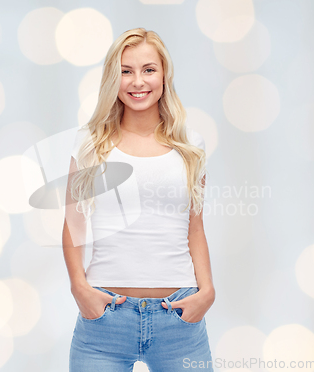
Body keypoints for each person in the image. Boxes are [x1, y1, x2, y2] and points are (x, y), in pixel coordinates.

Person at [63, 27, 215, 371]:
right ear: (113, 79)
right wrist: (79, 289)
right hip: (104, 322)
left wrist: (206, 291)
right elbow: (73, 224)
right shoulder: (90, 143)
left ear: (164, 75)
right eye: (126, 71)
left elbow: (195, 227)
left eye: (148, 69)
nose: (137, 82)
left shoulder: (191, 145)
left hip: (179, 319)